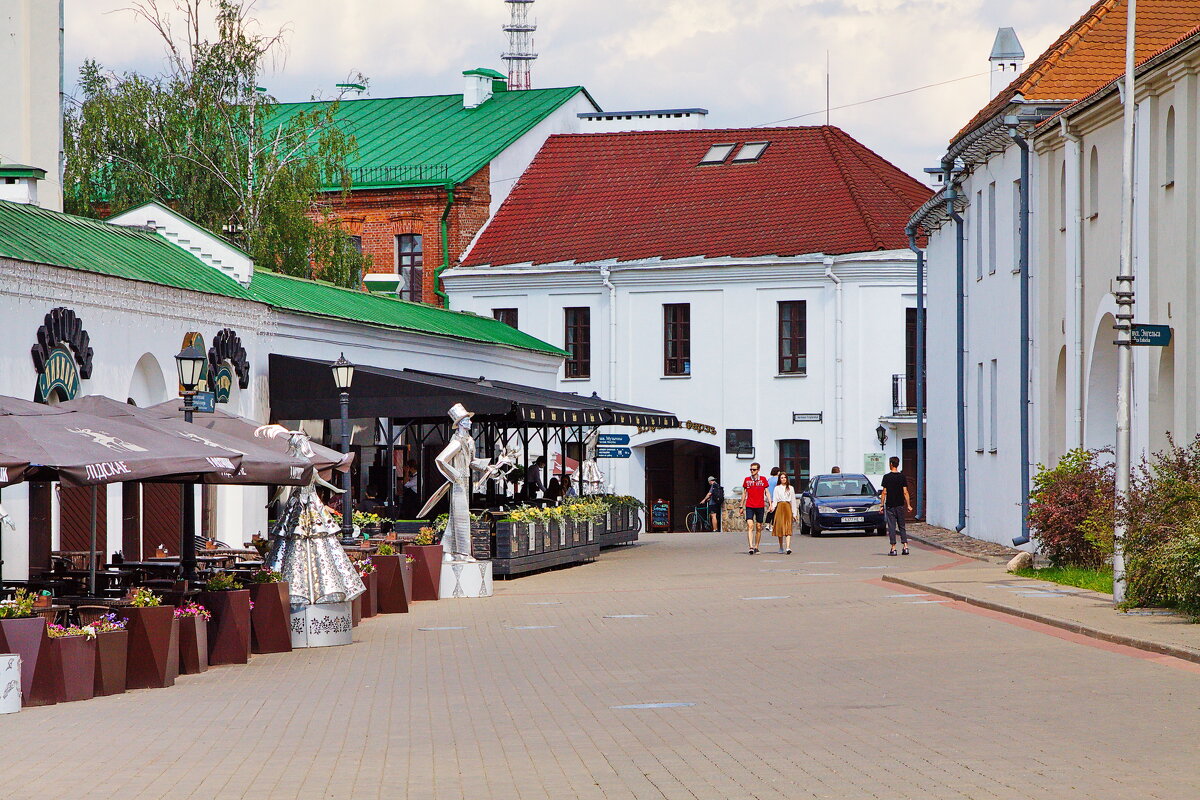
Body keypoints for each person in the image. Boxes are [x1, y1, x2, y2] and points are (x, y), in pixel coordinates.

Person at [880, 456, 913, 556]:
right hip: (900, 505)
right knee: (902, 526)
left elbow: (884, 492)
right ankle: (905, 546)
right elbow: (905, 492)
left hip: (890, 505)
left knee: (892, 527)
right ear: (898, 464)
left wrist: (881, 505)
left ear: (891, 464)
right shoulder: (902, 477)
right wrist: (909, 505)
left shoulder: (886, 477)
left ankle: (893, 548)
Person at [742, 463, 769, 554]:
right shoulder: (747, 480)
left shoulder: (763, 480)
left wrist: (771, 503)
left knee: (758, 527)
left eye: (754, 469)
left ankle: (756, 546)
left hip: (760, 505)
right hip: (749, 505)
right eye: (751, 469)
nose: (752, 471)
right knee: (750, 525)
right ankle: (751, 546)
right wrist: (741, 506)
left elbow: (767, 492)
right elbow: (744, 493)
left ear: (758, 470)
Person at [771, 473, 798, 554]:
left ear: (787, 479)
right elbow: (775, 500)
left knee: (787, 526)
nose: (783, 479)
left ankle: (788, 547)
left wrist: (794, 513)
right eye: (781, 477)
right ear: (779, 479)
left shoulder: (790, 488)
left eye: (784, 477)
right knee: (780, 527)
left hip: (787, 507)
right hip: (779, 507)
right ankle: (781, 546)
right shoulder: (777, 488)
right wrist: (772, 507)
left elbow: (793, 501)